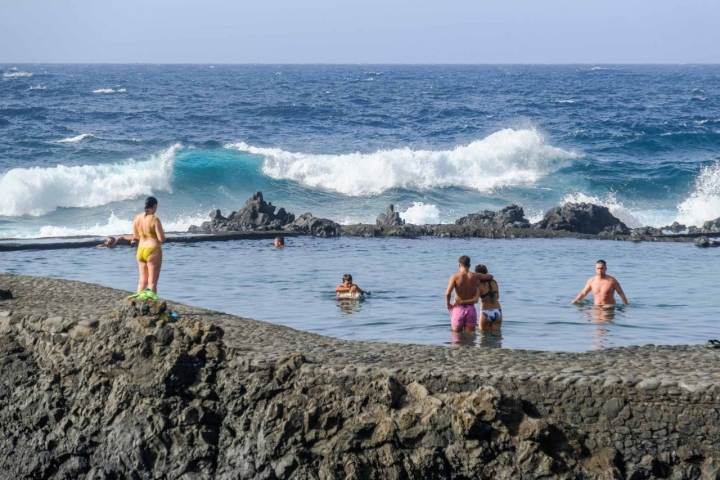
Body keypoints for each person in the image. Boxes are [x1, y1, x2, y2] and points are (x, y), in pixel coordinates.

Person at [445, 255, 493, 333]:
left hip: (458, 309)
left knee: (456, 335)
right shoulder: (476, 276)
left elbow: (447, 293)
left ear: (459, 265)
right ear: (469, 265)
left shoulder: (455, 277)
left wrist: (448, 304)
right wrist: (478, 277)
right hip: (471, 309)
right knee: (471, 335)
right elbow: (490, 276)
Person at [133, 196, 166, 293]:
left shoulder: (137, 218)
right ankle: (152, 305)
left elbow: (136, 236)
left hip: (140, 250)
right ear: (155, 206)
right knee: (152, 282)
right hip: (152, 251)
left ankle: (138, 303)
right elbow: (161, 239)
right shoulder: (154, 219)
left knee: (142, 282)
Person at [456, 264, 503, 331]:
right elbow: (497, 297)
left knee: (483, 338)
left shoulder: (479, 285)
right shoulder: (494, 282)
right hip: (498, 311)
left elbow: (475, 300)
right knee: (496, 337)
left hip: (485, 312)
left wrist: (462, 302)